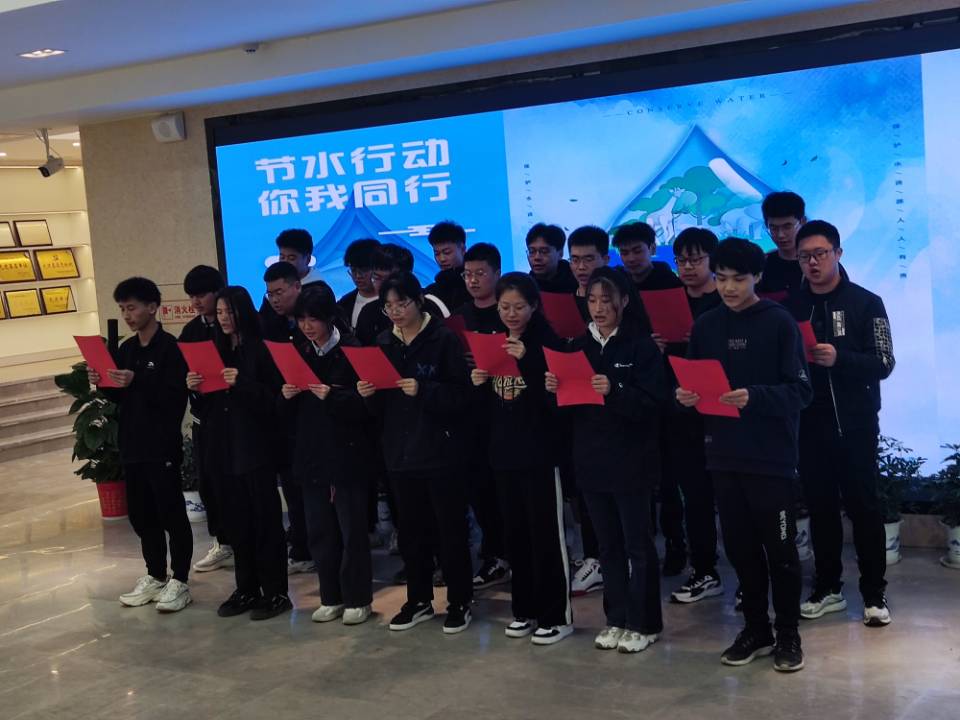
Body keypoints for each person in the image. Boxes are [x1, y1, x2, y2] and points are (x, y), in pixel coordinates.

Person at [676, 237, 812, 672]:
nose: (729, 287)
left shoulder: (779, 322)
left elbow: (801, 391)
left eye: (738, 279)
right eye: (721, 279)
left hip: (771, 458)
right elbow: (695, 381)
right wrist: (686, 396)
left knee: (781, 551)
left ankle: (788, 632)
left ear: (757, 277)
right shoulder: (706, 326)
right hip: (723, 454)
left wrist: (754, 396)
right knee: (740, 549)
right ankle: (756, 629)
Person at [546, 267, 664, 654]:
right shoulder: (576, 347)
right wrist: (554, 389)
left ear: (624, 301)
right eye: (592, 300)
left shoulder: (641, 346)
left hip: (632, 461)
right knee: (607, 547)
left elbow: (654, 405)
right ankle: (616, 618)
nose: (598, 308)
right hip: (591, 459)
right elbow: (566, 412)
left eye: (606, 300)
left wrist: (616, 389)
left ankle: (645, 623)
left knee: (638, 546)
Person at [790, 220, 895, 627]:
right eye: (804, 256)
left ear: (838, 253)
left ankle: (874, 594)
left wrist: (840, 359)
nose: (812, 263)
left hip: (855, 425)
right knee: (820, 509)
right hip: (808, 424)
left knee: (864, 508)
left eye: (820, 254)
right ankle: (828, 587)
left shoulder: (866, 302)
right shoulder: (790, 307)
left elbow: (883, 362)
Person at [357, 272, 474, 634]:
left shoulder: (443, 339)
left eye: (401, 303)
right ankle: (418, 599)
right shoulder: (383, 342)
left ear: (418, 301)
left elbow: (462, 396)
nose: (395, 311)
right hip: (400, 452)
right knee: (411, 533)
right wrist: (368, 395)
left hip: (441, 451)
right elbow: (379, 410)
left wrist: (424, 390)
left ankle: (459, 601)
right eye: (388, 306)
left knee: (450, 531)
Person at [471, 272, 571, 643]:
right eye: (504, 307)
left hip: (541, 454)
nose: (511, 314)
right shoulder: (493, 342)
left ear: (534, 306)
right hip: (504, 453)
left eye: (518, 307)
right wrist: (477, 382)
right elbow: (489, 405)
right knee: (515, 536)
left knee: (545, 536)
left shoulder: (548, 343)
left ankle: (556, 615)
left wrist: (528, 361)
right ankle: (524, 610)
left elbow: (557, 402)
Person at [89, 277, 192, 612]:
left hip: (161, 445)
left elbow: (174, 398)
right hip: (132, 444)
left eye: (131, 308)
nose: (127, 315)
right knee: (142, 515)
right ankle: (155, 574)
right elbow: (120, 397)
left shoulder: (170, 348)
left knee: (171, 513)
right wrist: (103, 382)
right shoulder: (127, 349)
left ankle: (180, 579)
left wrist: (138, 381)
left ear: (152, 307)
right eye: (122, 309)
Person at [189, 286, 291, 620]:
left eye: (229, 312)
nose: (223, 319)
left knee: (265, 522)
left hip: (255, 447)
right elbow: (205, 405)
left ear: (243, 312)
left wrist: (242, 383)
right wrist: (196, 389)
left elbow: (276, 400)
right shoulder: (215, 350)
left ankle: (275, 591)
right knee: (236, 522)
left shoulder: (262, 349)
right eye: (219, 313)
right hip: (222, 446)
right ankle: (246, 587)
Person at [283, 284, 375, 626]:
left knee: (352, 530)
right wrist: (286, 394)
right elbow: (287, 410)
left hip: (347, 452)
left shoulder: (353, 349)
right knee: (319, 528)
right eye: (302, 319)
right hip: (311, 451)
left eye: (314, 319)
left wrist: (332, 396)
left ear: (329, 318)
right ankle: (330, 596)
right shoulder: (299, 351)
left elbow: (368, 404)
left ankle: (358, 598)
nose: (307, 326)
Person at [612, 221, 686, 575]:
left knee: (670, 476)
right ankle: (641, 547)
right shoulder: (616, 286)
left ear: (653, 249)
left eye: (637, 251)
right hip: (632, 389)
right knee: (637, 476)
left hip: (669, 390)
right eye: (624, 252)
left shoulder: (671, 283)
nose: (631, 258)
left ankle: (676, 544)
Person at [659, 229, 724, 604]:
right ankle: (704, 570)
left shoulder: (726, 301)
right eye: (681, 260)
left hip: (722, 412)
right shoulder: (669, 301)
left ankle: (749, 575)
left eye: (695, 259)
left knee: (733, 498)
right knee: (695, 497)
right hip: (682, 412)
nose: (686, 267)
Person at [454, 243, 510, 590]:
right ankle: (494, 555)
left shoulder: (508, 312)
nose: (473, 280)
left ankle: (513, 551)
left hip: (507, 410)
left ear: (497, 274)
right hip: (471, 414)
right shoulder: (460, 316)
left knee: (508, 491)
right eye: (468, 274)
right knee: (480, 490)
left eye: (480, 273)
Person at [260, 261, 314, 575]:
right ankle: (301, 546)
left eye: (280, 292)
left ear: (297, 286)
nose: (275, 299)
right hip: (283, 417)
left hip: (315, 415)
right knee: (292, 488)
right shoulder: (268, 324)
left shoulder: (317, 315)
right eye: (270, 294)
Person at [564, 225, 609, 595]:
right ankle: (594, 557)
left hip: (616, 414)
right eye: (575, 259)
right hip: (578, 411)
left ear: (604, 259)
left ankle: (617, 557)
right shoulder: (563, 298)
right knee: (586, 490)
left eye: (588, 259)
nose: (581, 267)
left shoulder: (618, 300)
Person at [180, 265, 234, 574]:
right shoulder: (191, 331)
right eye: (191, 296)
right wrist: (188, 382)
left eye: (201, 295)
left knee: (234, 483)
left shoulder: (235, 329)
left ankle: (244, 539)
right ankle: (222, 541)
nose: (196, 302)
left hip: (234, 420)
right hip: (205, 419)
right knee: (209, 483)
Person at [756, 192, 807, 299]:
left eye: (787, 227)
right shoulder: (760, 264)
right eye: (773, 228)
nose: (780, 235)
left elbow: (838, 306)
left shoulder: (821, 264)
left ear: (803, 222)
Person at [425, 221, 471, 313]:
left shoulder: (474, 284)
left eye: (447, 252)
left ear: (462, 249)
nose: (442, 259)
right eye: (437, 254)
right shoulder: (431, 292)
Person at [336, 238, 381, 332]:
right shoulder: (344, 304)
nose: (358, 276)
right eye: (353, 270)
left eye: (364, 270)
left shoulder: (391, 303)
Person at [526, 222, 577, 293]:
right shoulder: (525, 287)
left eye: (544, 251)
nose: (537, 257)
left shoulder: (578, 282)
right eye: (532, 251)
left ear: (560, 253)